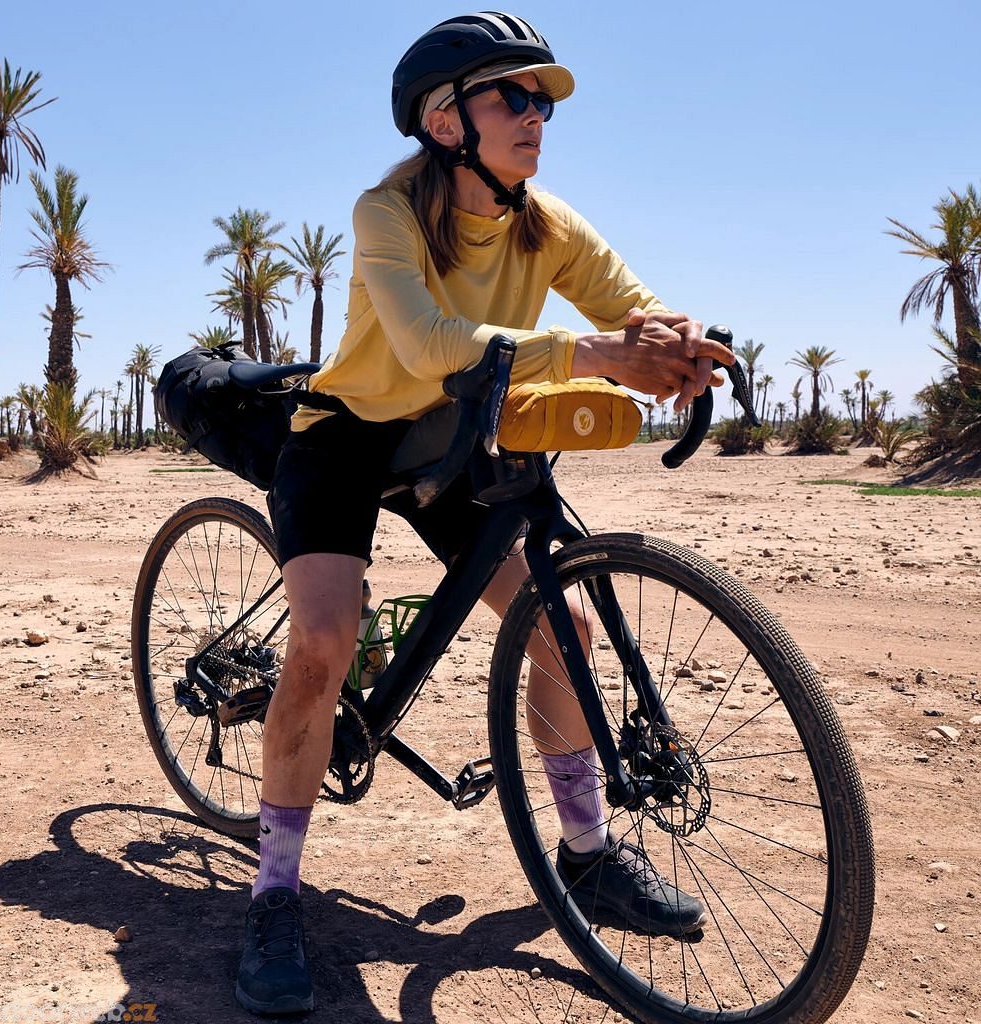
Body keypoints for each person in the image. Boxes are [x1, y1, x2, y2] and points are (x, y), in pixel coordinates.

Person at [235, 11, 736, 1015]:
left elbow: (629, 307)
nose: (536, 114)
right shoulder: (386, 211)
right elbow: (428, 344)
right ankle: (273, 894)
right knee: (325, 639)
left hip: (449, 436)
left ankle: (588, 854)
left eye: (543, 99)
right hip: (345, 436)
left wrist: (678, 341)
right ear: (444, 119)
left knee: (564, 622)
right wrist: (596, 354)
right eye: (513, 94)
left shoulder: (547, 224)